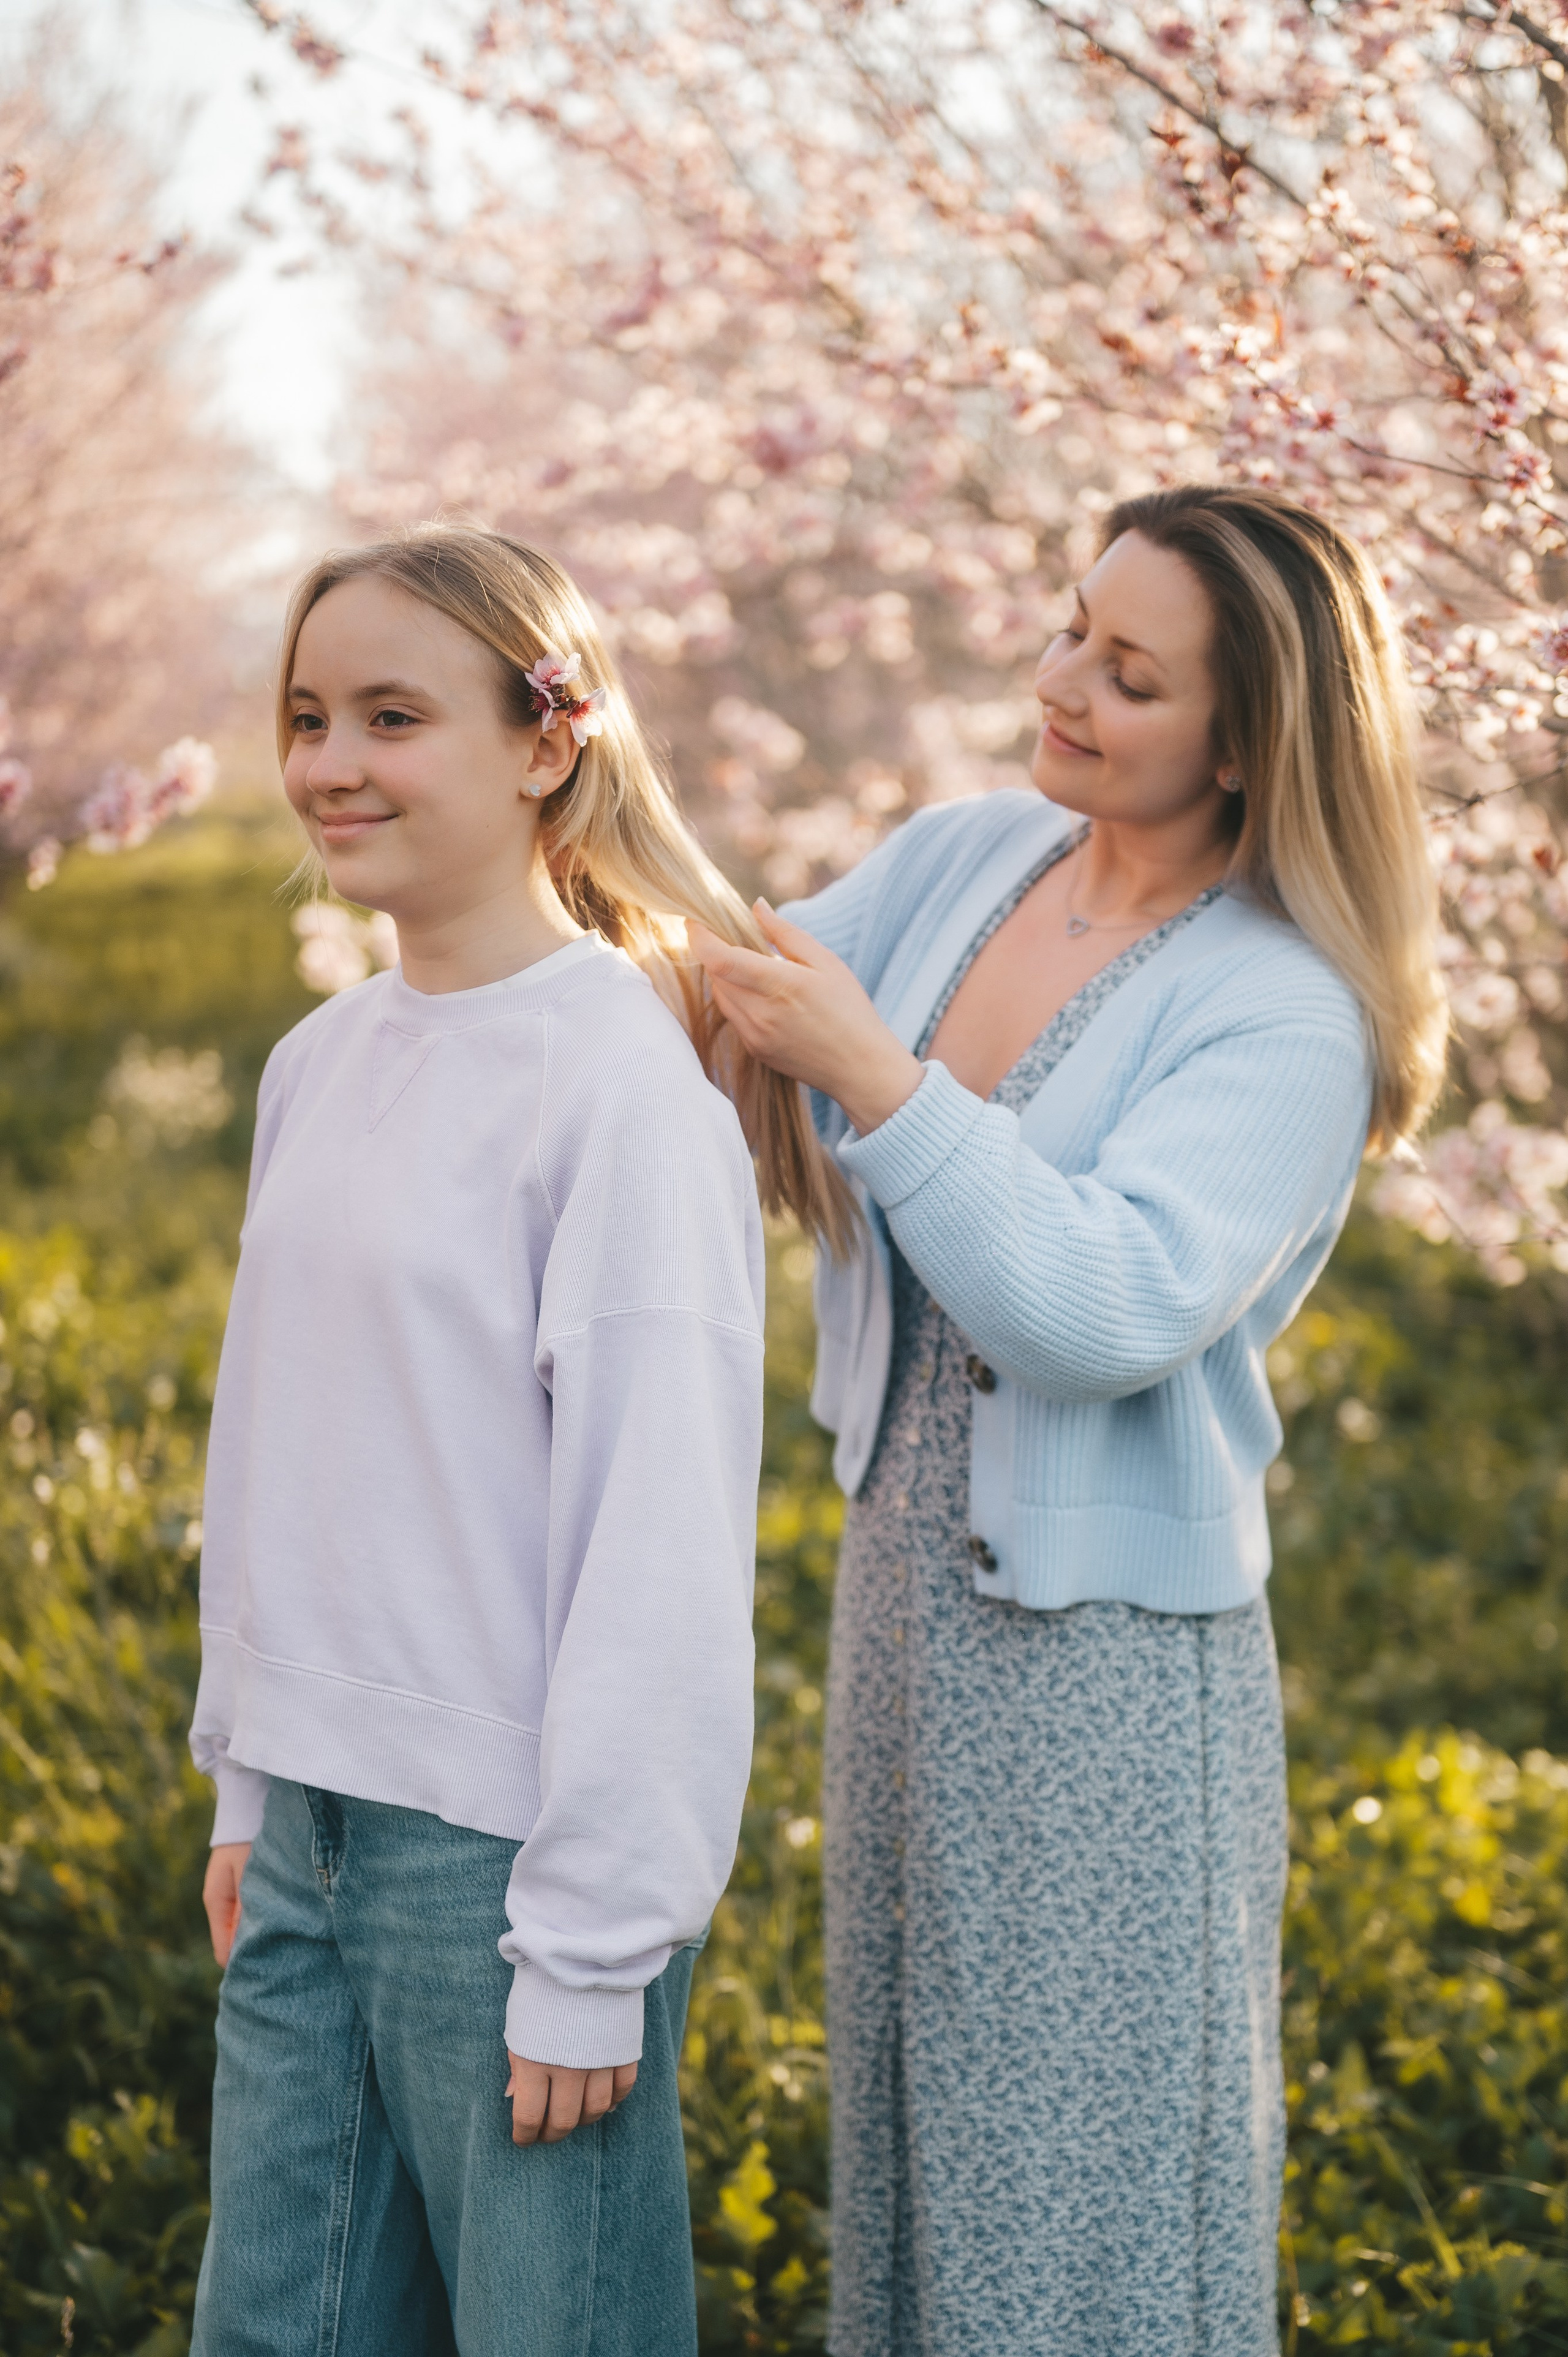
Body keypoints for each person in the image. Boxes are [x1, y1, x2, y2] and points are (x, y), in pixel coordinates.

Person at [691, 485, 1447, 2357]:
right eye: (1068, 630)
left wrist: (870, 1067)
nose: (1062, 686)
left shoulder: (1286, 1009)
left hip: (1104, 1673)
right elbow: (718, 993)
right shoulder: (967, 859)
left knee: (1084, 2187)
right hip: (901, 1612)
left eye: (1131, 673)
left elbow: (1098, 1311)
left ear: (1252, 741)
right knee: (910, 2148)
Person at [188, 523, 842, 2357]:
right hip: (306, 1834)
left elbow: (660, 1545)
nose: (330, 763)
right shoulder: (318, 1061)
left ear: (545, 742)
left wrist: (590, 1943)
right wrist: (250, 1777)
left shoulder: (621, 1089)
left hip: (509, 1876)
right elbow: (283, 1451)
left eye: (394, 715)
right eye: (309, 714)